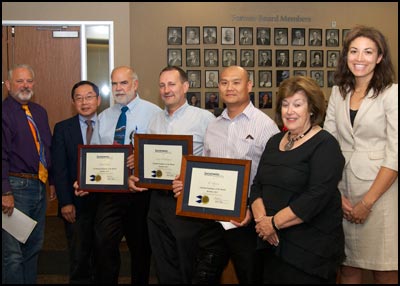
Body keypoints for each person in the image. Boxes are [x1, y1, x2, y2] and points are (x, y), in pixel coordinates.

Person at [173, 66, 280, 284]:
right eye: (223, 83)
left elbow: (273, 178)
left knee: (251, 276)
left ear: (249, 86)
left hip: (246, 220)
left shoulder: (266, 126)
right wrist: (187, 186)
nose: (229, 87)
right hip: (212, 220)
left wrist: (251, 209)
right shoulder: (213, 126)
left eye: (236, 82)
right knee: (203, 274)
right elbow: (205, 170)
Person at [250, 75, 346, 283]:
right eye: (285, 104)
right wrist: (263, 223)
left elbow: (316, 197)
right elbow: (257, 186)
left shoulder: (325, 145)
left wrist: (274, 222)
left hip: (309, 251)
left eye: (297, 104)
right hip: (271, 244)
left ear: (311, 108)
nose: (289, 111)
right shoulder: (274, 141)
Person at [323, 25, 398, 284]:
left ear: (379, 57)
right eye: (354, 51)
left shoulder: (392, 93)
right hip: (343, 191)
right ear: (346, 56)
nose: (359, 58)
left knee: (384, 268)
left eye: (368, 52)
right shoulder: (338, 93)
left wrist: (367, 202)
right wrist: (336, 192)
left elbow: (395, 154)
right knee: (348, 267)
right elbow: (328, 145)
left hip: (382, 194)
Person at [128, 66, 215, 283]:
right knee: (163, 261)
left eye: (172, 84)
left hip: (185, 203)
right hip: (157, 201)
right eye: (162, 85)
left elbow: (213, 159)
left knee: (188, 260)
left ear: (185, 87)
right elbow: (146, 158)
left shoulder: (205, 118)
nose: (166, 90)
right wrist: (136, 174)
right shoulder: (155, 120)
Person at [76, 66, 162, 284]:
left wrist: (141, 159)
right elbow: (94, 154)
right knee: (103, 242)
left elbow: (162, 152)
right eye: (114, 84)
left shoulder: (155, 114)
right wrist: (86, 179)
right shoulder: (104, 116)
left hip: (140, 193)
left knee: (140, 248)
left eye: (123, 83)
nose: (118, 88)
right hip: (110, 194)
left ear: (135, 84)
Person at [2, 64, 54, 284]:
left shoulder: (39, 112)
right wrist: (4, 190)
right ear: (7, 85)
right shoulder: (4, 113)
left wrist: (49, 181)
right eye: (19, 81)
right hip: (14, 188)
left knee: (34, 247)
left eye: (29, 81)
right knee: (12, 254)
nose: (25, 85)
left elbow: (46, 148)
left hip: (39, 186)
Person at [51, 80, 101, 283]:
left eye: (89, 96)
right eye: (79, 98)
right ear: (73, 102)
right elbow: (59, 168)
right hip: (75, 204)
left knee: (103, 254)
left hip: (105, 203)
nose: (84, 102)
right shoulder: (63, 128)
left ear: (98, 100)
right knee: (79, 256)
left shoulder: (110, 125)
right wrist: (65, 202)